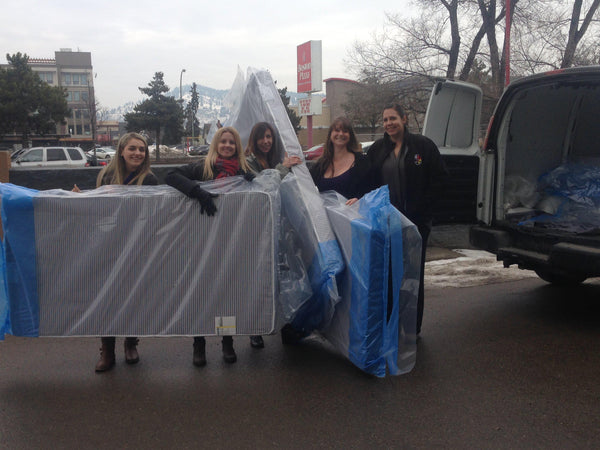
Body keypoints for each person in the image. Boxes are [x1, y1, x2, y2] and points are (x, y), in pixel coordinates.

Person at [165, 126, 254, 367]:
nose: (227, 146)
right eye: (223, 141)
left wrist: (251, 182)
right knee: (199, 292)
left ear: (237, 147)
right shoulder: (203, 168)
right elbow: (171, 175)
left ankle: (227, 340)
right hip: (200, 241)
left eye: (232, 142)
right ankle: (199, 342)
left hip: (229, 242)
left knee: (226, 291)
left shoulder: (244, 170)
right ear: (216, 144)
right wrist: (198, 192)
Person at [367, 104, 447, 335]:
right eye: (385, 120)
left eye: (393, 118)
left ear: (404, 119)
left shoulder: (422, 146)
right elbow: (367, 181)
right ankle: (389, 322)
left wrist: (425, 211)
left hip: (416, 224)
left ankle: (411, 326)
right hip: (386, 224)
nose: (389, 123)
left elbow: (440, 179)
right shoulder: (377, 150)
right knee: (388, 275)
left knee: (412, 276)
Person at [93, 132, 159, 373]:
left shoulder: (149, 180)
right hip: (109, 245)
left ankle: (131, 343)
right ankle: (107, 350)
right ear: (121, 151)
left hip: (137, 247)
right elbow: (95, 210)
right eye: (132, 148)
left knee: (133, 296)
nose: (137, 153)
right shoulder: (106, 176)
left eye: (142, 149)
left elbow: (155, 214)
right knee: (107, 298)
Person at [245, 122, 302, 349]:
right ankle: (255, 329)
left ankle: (283, 324)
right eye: (261, 137)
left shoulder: (272, 159)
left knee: (280, 278)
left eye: (269, 137)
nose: (266, 141)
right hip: (258, 230)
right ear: (254, 140)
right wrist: (283, 167)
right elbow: (263, 186)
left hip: (276, 227)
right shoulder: (249, 162)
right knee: (258, 279)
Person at [309, 117, 371, 205]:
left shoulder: (362, 162)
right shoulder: (321, 165)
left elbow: (372, 190)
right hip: (325, 218)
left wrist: (360, 199)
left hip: (354, 216)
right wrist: (291, 166)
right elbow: (303, 183)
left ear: (350, 136)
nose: (341, 134)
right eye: (337, 130)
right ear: (330, 135)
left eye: (345, 131)